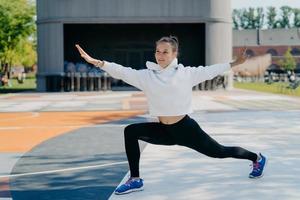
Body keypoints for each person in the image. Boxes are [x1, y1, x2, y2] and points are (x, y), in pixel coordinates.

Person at [75, 36, 267, 195]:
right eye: (158, 51)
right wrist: (98, 63)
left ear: (174, 54)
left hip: (186, 130)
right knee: (131, 131)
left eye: (165, 51)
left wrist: (234, 63)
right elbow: (123, 72)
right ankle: (135, 179)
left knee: (220, 152)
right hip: (164, 130)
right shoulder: (147, 76)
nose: (160, 55)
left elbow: (210, 71)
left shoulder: (185, 74)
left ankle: (256, 158)